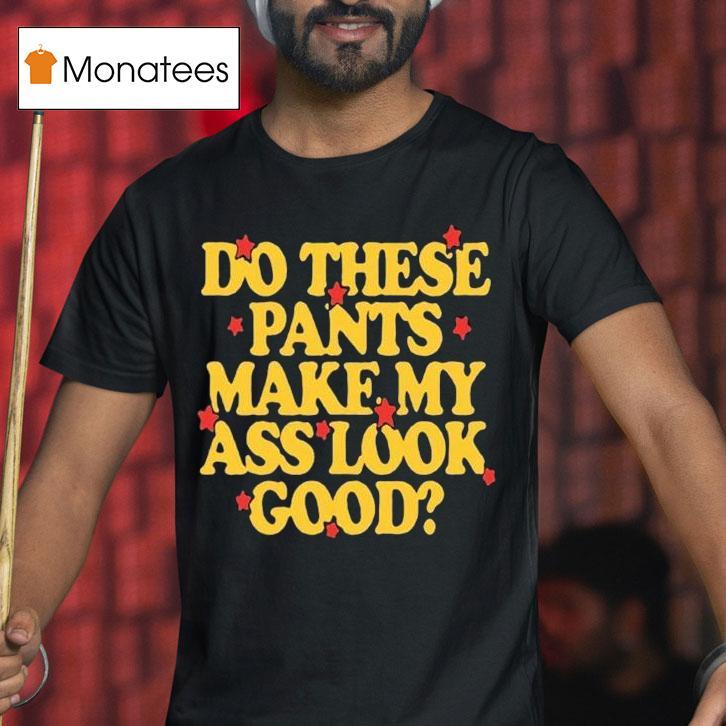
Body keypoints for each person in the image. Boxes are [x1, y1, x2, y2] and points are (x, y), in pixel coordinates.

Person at [2, 0, 725, 723]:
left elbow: (664, 414)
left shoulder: (523, 187)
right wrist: (15, 623)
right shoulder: (165, 209)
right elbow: (69, 475)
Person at [538, 522, 699, 725]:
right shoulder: (544, 703)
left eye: (567, 607)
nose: (550, 627)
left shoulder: (703, 698)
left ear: (630, 619)